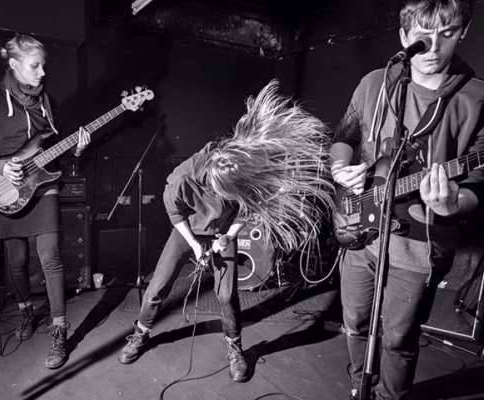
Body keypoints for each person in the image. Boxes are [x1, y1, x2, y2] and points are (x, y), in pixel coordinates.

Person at [118, 80, 333, 383]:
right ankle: (140, 334)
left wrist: (228, 236)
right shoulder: (182, 178)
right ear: (210, 179)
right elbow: (175, 213)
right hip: (188, 231)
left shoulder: (239, 171)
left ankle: (235, 347)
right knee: (157, 288)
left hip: (222, 234)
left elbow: (248, 209)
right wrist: (195, 246)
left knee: (226, 295)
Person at [331, 1, 484, 398]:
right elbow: (344, 137)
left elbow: (479, 185)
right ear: (403, 37)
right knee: (354, 321)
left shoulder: (476, 98)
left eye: (447, 34)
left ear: (463, 32)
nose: (433, 47)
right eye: (422, 36)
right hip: (361, 230)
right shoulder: (374, 83)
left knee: (398, 338)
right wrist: (339, 168)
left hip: (419, 247)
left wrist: (454, 203)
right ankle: (359, 385)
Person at [0, 34, 90, 369]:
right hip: (6, 187)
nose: (43, 72)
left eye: (44, 65)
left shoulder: (45, 101)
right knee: (17, 261)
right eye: (35, 66)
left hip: (44, 186)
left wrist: (77, 148)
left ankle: (59, 331)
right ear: (14, 65)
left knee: (51, 257)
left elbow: (49, 147)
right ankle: (26, 311)